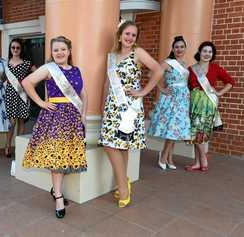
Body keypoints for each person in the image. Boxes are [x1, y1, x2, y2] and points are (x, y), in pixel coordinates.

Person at [98, 20, 163, 207]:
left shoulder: (138, 53)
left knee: (116, 145)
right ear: (120, 35)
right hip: (112, 105)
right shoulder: (111, 56)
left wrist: (143, 91)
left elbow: (158, 70)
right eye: (127, 34)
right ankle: (124, 182)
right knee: (115, 145)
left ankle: (123, 187)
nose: (130, 38)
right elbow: (106, 83)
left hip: (130, 107)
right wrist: (103, 105)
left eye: (134, 35)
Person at [22, 36, 88, 218]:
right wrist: (41, 103)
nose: (59, 52)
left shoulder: (76, 70)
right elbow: (27, 83)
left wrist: (83, 115)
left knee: (66, 156)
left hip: (73, 119)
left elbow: (84, 94)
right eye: (55, 50)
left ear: (69, 51)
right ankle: (58, 196)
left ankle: (55, 189)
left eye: (62, 49)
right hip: (56, 118)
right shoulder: (49, 69)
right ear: (51, 53)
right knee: (57, 157)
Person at [185, 41, 235, 172]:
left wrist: (219, 93)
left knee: (200, 132)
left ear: (212, 54)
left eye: (210, 52)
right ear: (199, 52)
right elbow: (187, 87)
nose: (207, 54)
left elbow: (230, 82)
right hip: (194, 102)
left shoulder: (215, 68)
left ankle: (202, 159)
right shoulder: (191, 69)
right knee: (196, 132)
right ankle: (197, 162)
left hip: (208, 103)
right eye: (204, 51)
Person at [148, 36, 191, 170]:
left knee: (175, 129)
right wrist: (162, 88)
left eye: (182, 47)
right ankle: (163, 156)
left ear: (185, 49)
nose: (179, 49)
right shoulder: (168, 63)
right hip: (171, 99)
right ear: (173, 49)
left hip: (183, 99)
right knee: (172, 128)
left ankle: (169, 158)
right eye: (176, 47)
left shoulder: (184, 64)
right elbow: (151, 74)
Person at [4, 38, 35, 158]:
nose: (15, 50)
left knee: (21, 121)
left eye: (18, 47)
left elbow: (37, 74)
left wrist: (29, 84)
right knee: (11, 123)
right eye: (13, 47)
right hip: (10, 94)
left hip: (22, 94)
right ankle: (7, 146)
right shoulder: (5, 63)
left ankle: (18, 147)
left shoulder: (27, 63)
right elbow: (2, 78)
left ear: (21, 49)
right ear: (10, 49)